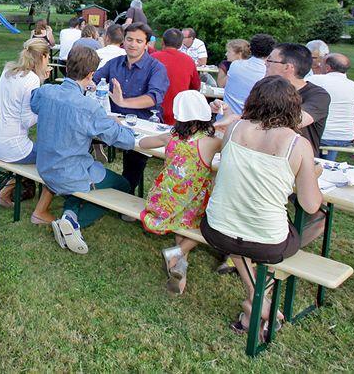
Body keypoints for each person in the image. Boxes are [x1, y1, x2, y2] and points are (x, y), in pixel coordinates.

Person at [200, 76, 323, 336]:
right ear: (293, 107)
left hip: (215, 229)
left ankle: (255, 302)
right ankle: (260, 302)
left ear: (252, 101)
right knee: (319, 220)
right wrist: (314, 173)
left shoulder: (235, 128)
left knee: (239, 234)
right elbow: (310, 205)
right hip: (265, 240)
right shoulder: (298, 144)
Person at [31, 45, 136, 254]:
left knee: (84, 184)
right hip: (71, 171)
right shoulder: (89, 107)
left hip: (45, 165)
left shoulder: (45, 92)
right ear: (91, 74)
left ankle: (70, 214)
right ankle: (72, 221)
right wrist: (123, 128)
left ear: (66, 66)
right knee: (121, 185)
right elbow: (123, 140)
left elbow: (35, 104)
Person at [138, 90, 224, 295]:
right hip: (191, 203)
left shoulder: (171, 137)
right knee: (208, 225)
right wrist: (221, 120)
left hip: (163, 200)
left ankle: (179, 267)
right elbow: (229, 144)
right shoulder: (212, 143)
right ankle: (177, 253)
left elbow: (142, 143)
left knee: (181, 220)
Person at [0, 38, 55, 224]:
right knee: (55, 155)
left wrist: (39, 79)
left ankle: (4, 192)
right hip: (11, 148)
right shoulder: (31, 80)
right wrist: (46, 108)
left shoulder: (8, 70)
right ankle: (41, 210)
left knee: (37, 150)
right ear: (44, 57)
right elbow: (27, 121)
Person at [93, 23, 169, 194]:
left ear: (146, 44)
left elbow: (154, 97)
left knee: (135, 157)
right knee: (79, 136)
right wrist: (89, 85)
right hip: (113, 120)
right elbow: (94, 81)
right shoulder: (114, 63)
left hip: (142, 122)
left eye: (138, 41)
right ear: (123, 41)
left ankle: (125, 192)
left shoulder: (156, 68)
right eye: (129, 39)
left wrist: (124, 102)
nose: (133, 44)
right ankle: (83, 182)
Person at [265, 43, 329, 157]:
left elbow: (296, 120)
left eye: (270, 61)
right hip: (267, 156)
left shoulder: (318, 95)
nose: (265, 63)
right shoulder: (266, 89)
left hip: (300, 162)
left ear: (287, 67)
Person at [307, 53, 354, 161]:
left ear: (327, 68)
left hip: (321, 135)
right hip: (345, 136)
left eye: (321, 63)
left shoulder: (315, 80)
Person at [151, 28, 201, 126]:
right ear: (180, 44)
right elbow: (196, 87)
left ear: (162, 42)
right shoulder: (189, 61)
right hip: (178, 114)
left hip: (153, 112)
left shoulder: (152, 57)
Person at [218, 33, 275, 116]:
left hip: (225, 118)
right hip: (250, 123)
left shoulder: (235, 65)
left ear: (251, 49)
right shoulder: (269, 73)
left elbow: (221, 84)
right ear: (271, 52)